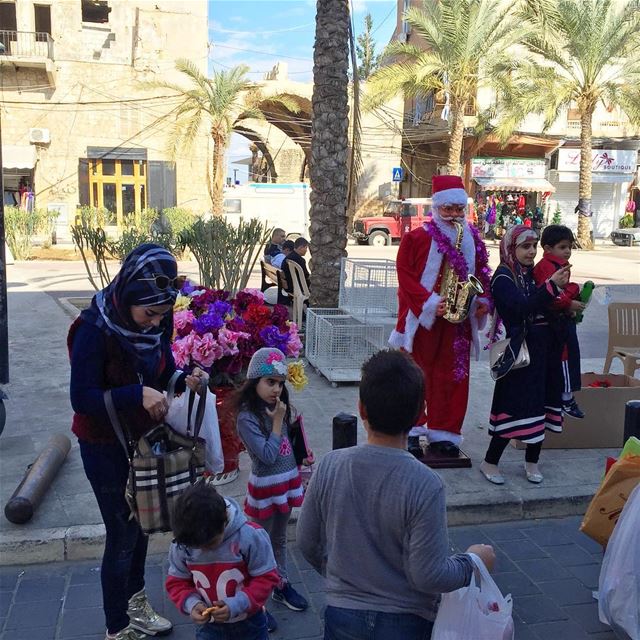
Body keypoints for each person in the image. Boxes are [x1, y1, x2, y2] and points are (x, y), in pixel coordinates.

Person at [297, 349, 496, 640]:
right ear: (420, 413)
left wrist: (341, 578)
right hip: (407, 621)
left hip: (342, 615)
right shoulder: (425, 483)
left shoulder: (330, 466)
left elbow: (306, 542)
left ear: (361, 409)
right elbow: (428, 575)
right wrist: (472, 562)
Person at [68, 243, 208, 640]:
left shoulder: (155, 323)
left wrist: (184, 379)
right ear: (128, 294)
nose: (154, 324)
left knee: (142, 525)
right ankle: (117, 626)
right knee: (122, 532)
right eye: (149, 314)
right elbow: (82, 399)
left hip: (141, 443)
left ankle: (135, 605)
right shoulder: (93, 331)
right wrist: (136, 394)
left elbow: (162, 367)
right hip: (103, 446)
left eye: (162, 315)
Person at [389, 175, 491, 459]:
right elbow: (405, 278)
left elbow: (482, 272)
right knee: (415, 376)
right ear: (436, 208)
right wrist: (430, 303)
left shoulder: (472, 239)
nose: (454, 216)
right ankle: (411, 431)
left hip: (457, 323)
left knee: (452, 379)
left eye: (459, 210)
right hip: (422, 322)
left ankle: (444, 434)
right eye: (448, 210)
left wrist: (483, 301)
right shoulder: (415, 238)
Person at [480, 226, 570, 486]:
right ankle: (490, 462)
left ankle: (532, 463)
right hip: (520, 356)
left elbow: (546, 304)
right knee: (512, 408)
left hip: (544, 354)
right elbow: (520, 308)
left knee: (539, 407)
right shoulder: (503, 277)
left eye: (533, 246)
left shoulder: (533, 273)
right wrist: (552, 287)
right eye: (525, 246)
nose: (531, 252)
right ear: (511, 248)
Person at [234, 347, 308, 631]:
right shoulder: (247, 417)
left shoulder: (279, 409)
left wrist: (302, 454)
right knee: (259, 547)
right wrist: (277, 422)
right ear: (255, 382)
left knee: (279, 539)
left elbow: (285, 448)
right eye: (270, 382)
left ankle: (281, 583)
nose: (276, 389)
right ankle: (256, 603)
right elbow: (266, 454)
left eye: (280, 383)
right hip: (265, 490)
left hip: (286, 485)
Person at [165, 482, 280, 640]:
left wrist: (238, 604)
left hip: (249, 622)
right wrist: (191, 604)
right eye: (197, 547)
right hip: (208, 626)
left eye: (210, 543)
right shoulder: (182, 545)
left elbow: (266, 577)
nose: (204, 550)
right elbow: (177, 582)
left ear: (225, 520)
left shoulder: (250, 537)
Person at [533, 225, 586, 419]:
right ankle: (566, 398)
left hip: (559, 320)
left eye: (569, 247)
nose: (567, 251)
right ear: (548, 249)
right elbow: (551, 295)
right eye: (562, 247)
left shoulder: (557, 265)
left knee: (568, 356)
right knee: (564, 359)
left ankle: (565, 397)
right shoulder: (548, 267)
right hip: (553, 323)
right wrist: (569, 302)